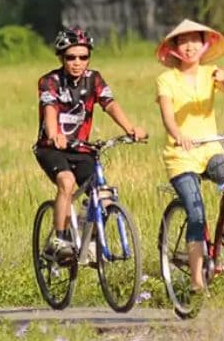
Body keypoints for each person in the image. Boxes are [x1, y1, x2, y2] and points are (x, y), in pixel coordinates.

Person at [35, 26, 147, 261]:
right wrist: (55, 134)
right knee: (66, 182)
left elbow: (110, 104)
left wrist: (130, 128)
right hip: (52, 148)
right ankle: (60, 239)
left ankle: (92, 240)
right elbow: (50, 109)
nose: (77, 62)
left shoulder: (93, 79)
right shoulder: (50, 81)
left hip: (81, 148)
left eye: (83, 57)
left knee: (103, 194)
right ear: (61, 58)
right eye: (71, 57)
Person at [155, 19, 224, 297]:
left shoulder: (210, 72)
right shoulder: (166, 80)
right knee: (196, 212)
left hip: (210, 148)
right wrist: (178, 134)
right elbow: (167, 116)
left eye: (194, 40)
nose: (189, 46)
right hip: (181, 155)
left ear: (204, 44)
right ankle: (195, 279)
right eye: (183, 41)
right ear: (175, 48)